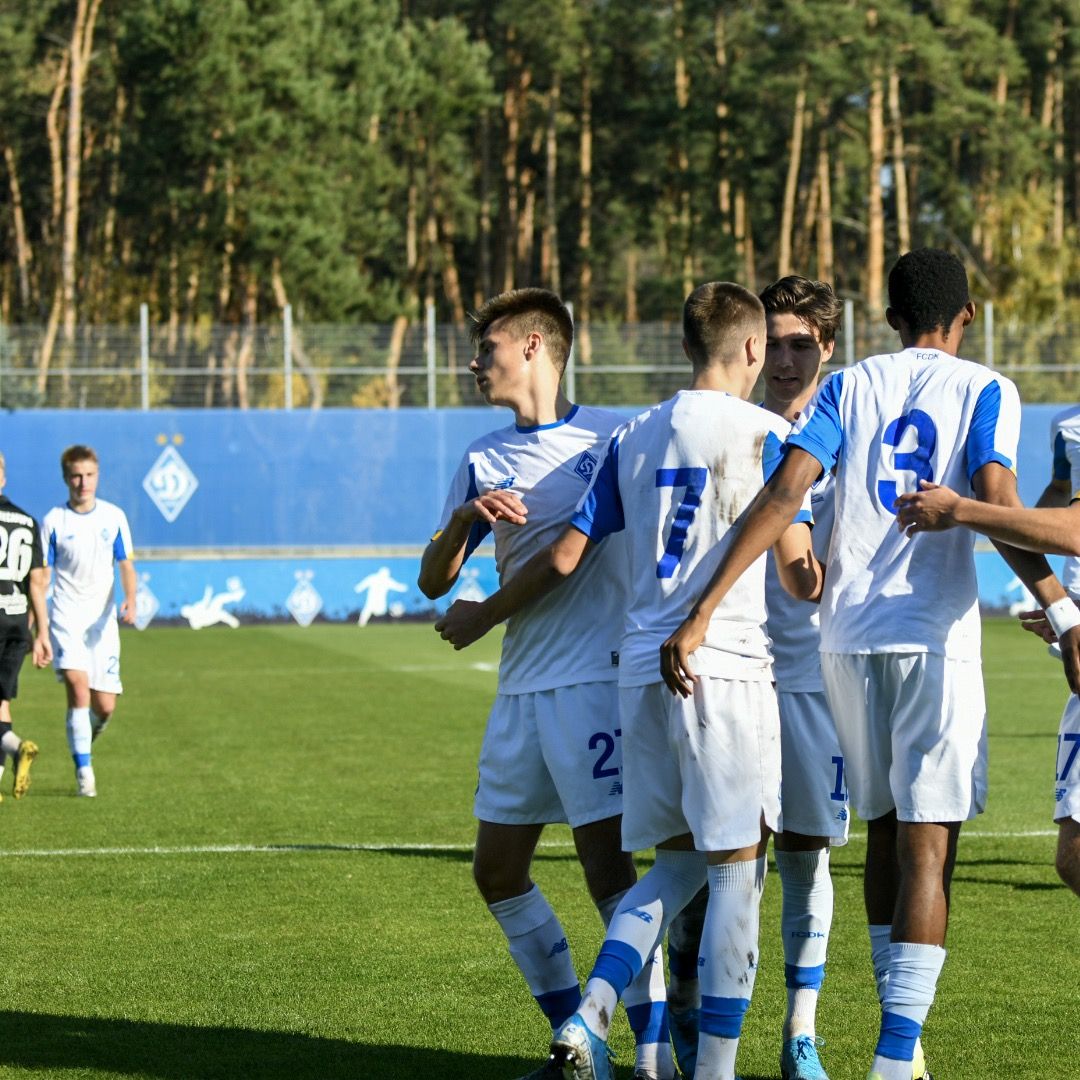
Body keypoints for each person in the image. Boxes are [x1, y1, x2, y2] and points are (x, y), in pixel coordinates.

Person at [659, 249, 1070, 1080]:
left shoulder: (850, 386)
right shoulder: (984, 387)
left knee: (884, 833)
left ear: (885, 318)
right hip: (931, 639)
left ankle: (903, 1053)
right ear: (966, 317)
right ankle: (890, 1063)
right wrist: (1063, 609)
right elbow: (997, 499)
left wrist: (702, 608)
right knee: (929, 846)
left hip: (844, 641)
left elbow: (784, 494)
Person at [436, 281, 822, 1080]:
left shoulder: (629, 434)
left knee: (668, 869)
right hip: (722, 668)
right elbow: (800, 578)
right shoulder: (767, 435)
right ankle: (708, 1067)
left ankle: (597, 1021)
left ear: (684, 345)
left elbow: (570, 554)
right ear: (753, 350)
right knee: (736, 875)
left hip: (637, 671)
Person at [418, 288, 674, 1080]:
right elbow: (432, 581)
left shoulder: (614, 439)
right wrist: (463, 521)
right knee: (496, 871)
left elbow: (573, 558)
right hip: (522, 690)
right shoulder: (482, 454)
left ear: (534, 346)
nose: (472, 364)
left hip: (592, 684)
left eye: (484, 349)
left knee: (607, 874)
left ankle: (657, 1056)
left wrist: (485, 614)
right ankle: (580, 1046)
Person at [895, 404, 1080, 899]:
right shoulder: (1067, 426)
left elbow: (1077, 531)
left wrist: (963, 510)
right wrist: (1056, 596)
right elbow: (1059, 500)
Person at [41, 445, 137, 798]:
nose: (83, 483)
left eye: (90, 475)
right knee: (78, 689)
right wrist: (41, 623)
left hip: (103, 622)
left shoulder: (113, 517)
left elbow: (126, 564)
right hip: (66, 615)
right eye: (77, 476)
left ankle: (84, 739)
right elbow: (42, 575)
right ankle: (85, 773)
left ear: (98, 476)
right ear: (66, 478)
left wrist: (131, 597)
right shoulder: (53, 521)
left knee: (105, 706)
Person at [0, 451, 51, 801]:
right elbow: (37, 581)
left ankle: (17, 747)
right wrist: (42, 633)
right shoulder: (27, 521)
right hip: (17, 624)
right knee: (1, 702)